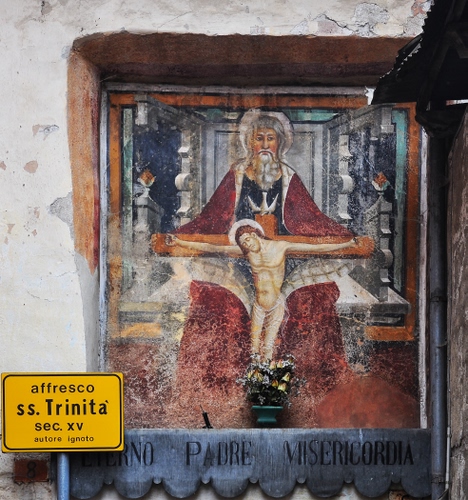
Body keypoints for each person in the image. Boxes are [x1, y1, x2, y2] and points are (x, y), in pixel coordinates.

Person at [166, 220, 356, 360]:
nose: (247, 245)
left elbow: (317, 249)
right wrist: (179, 243)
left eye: (247, 240)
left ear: (255, 235)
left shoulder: (281, 246)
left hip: (276, 305)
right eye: (243, 243)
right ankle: (256, 382)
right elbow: (210, 247)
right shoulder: (248, 253)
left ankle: (269, 384)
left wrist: (347, 244)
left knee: (268, 348)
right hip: (258, 305)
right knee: (254, 346)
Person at [174, 109, 352, 238]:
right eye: (259, 138)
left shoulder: (289, 177)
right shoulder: (237, 174)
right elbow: (213, 217)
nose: (265, 145)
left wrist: (342, 235)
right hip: (240, 247)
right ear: (250, 143)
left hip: (280, 249)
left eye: (270, 138)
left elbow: (310, 219)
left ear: (279, 143)